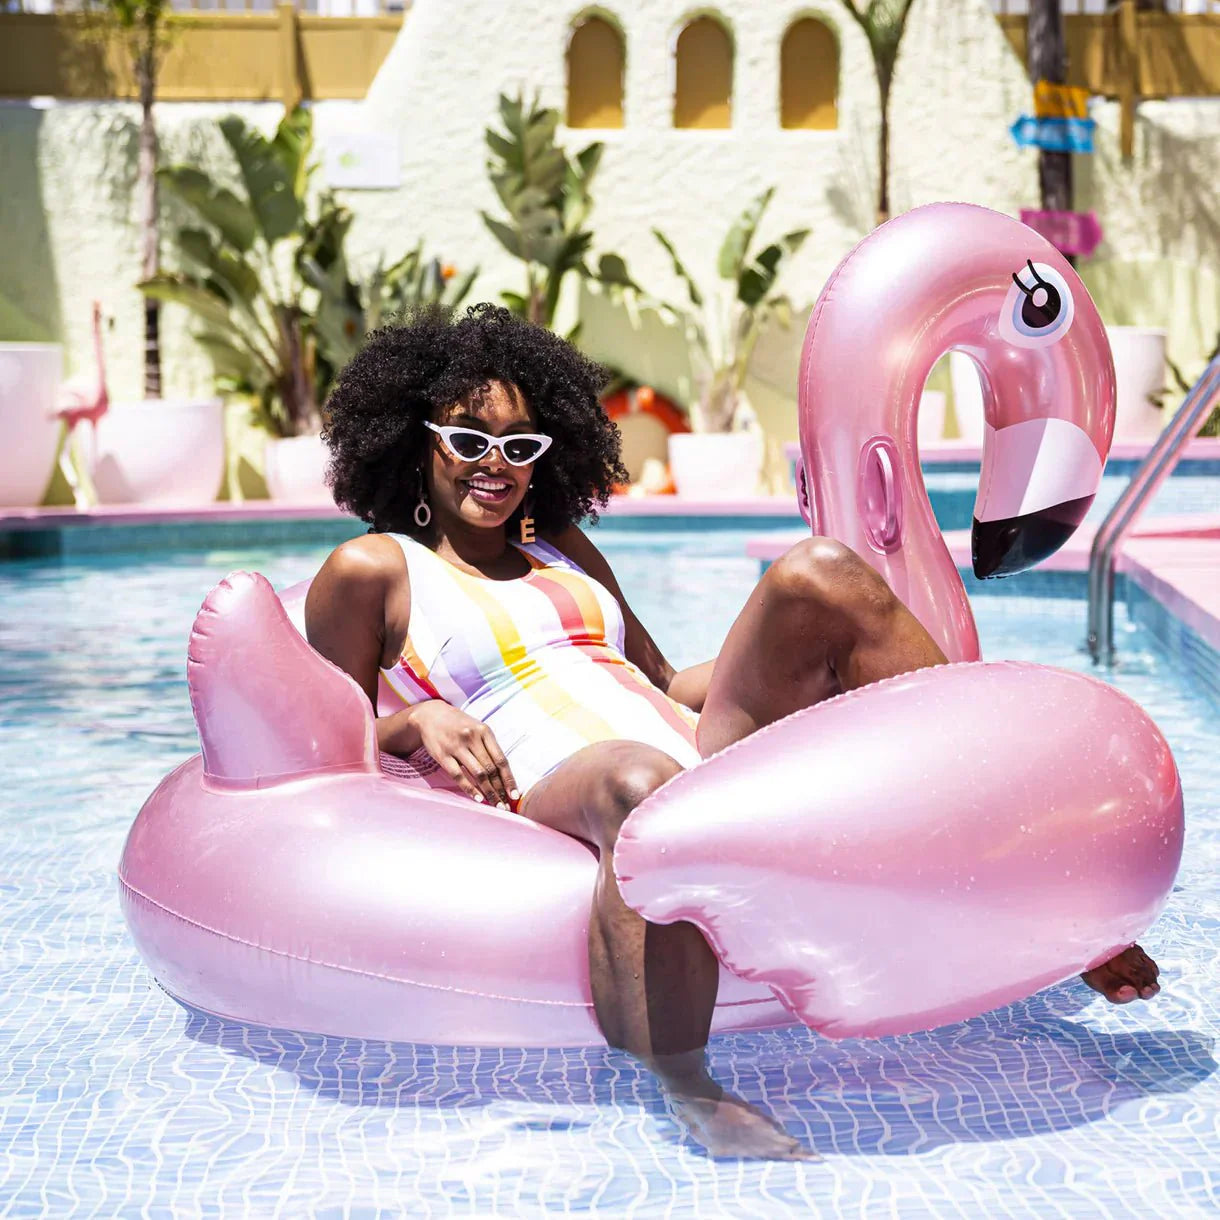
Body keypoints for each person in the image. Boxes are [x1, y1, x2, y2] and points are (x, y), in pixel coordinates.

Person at [305, 304, 1161, 1161]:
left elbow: (656, 676)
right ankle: (689, 1086)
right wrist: (414, 719)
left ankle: (1036, 890)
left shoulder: (559, 548)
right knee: (640, 780)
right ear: (414, 442)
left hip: (685, 747)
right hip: (561, 780)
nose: (496, 464)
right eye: (468, 439)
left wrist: (816, 660)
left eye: (520, 445)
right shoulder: (373, 569)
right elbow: (323, 747)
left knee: (820, 572)